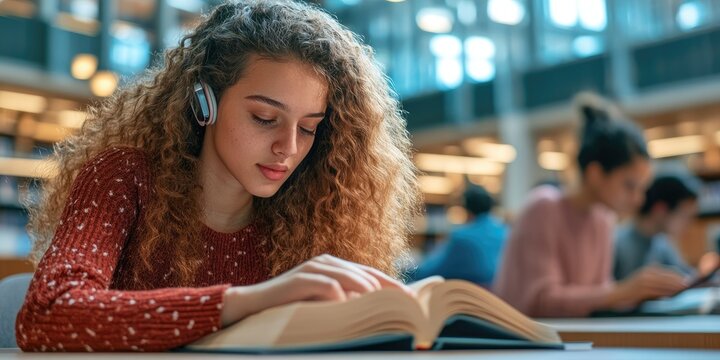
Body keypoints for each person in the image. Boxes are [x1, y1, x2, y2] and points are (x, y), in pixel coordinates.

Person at [16, 0, 421, 352]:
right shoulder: (125, 176)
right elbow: (47, 312)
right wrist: (247, 301)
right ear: (204, 101)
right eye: (265, 118)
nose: (289, 147)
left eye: (309, 127)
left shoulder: (318, 210)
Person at [493, 94, 687, 317]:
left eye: (641, 189)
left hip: (569, 341)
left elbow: (596, 299)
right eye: (629, 186)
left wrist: (641, 293)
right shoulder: (543, 207)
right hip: (521, 345)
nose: (638, 199)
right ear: (595, 174)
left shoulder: (603, 219)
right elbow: (541, 302)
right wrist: (622, 292)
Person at [413, 185, 507, 287]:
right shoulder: (505, 232)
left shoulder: (462, 237)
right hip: (497, 298)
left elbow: (431, 270)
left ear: (466, 208)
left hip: (467, 296)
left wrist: (409, 271)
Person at [614, 174, 701, 281]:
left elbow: (686, 276)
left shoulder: (661, 241)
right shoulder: (617, 244)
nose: (688, 224)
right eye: (684, 216)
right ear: (660, 210)